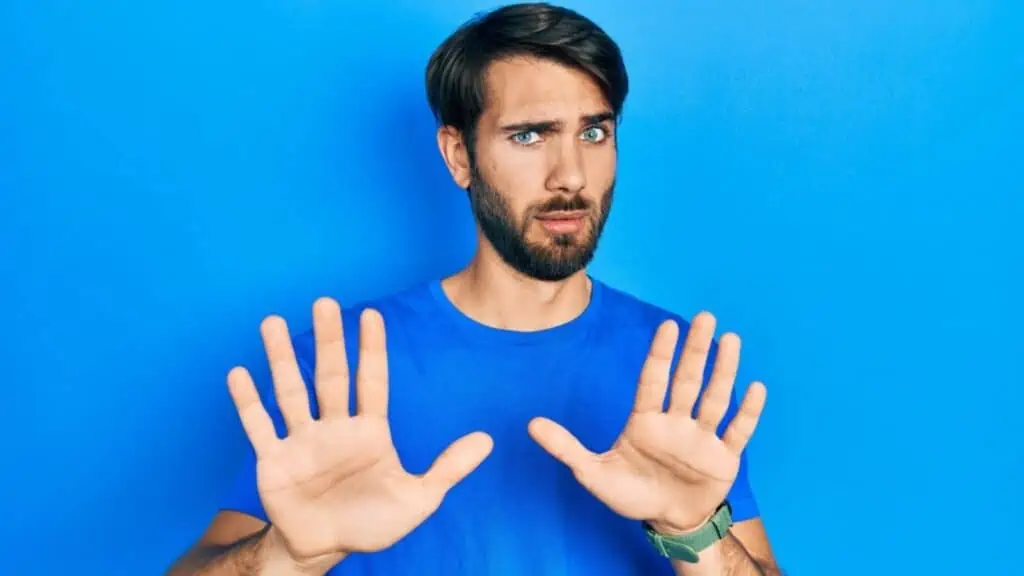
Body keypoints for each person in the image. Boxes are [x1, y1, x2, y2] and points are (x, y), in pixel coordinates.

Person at [167, 3, 781, 575]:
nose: (570, 175)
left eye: (593, 133)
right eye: (529, 135)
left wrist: (697, 530)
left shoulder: (680, 366)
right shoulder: (340, 365)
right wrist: (292, 553)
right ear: (458, 156)